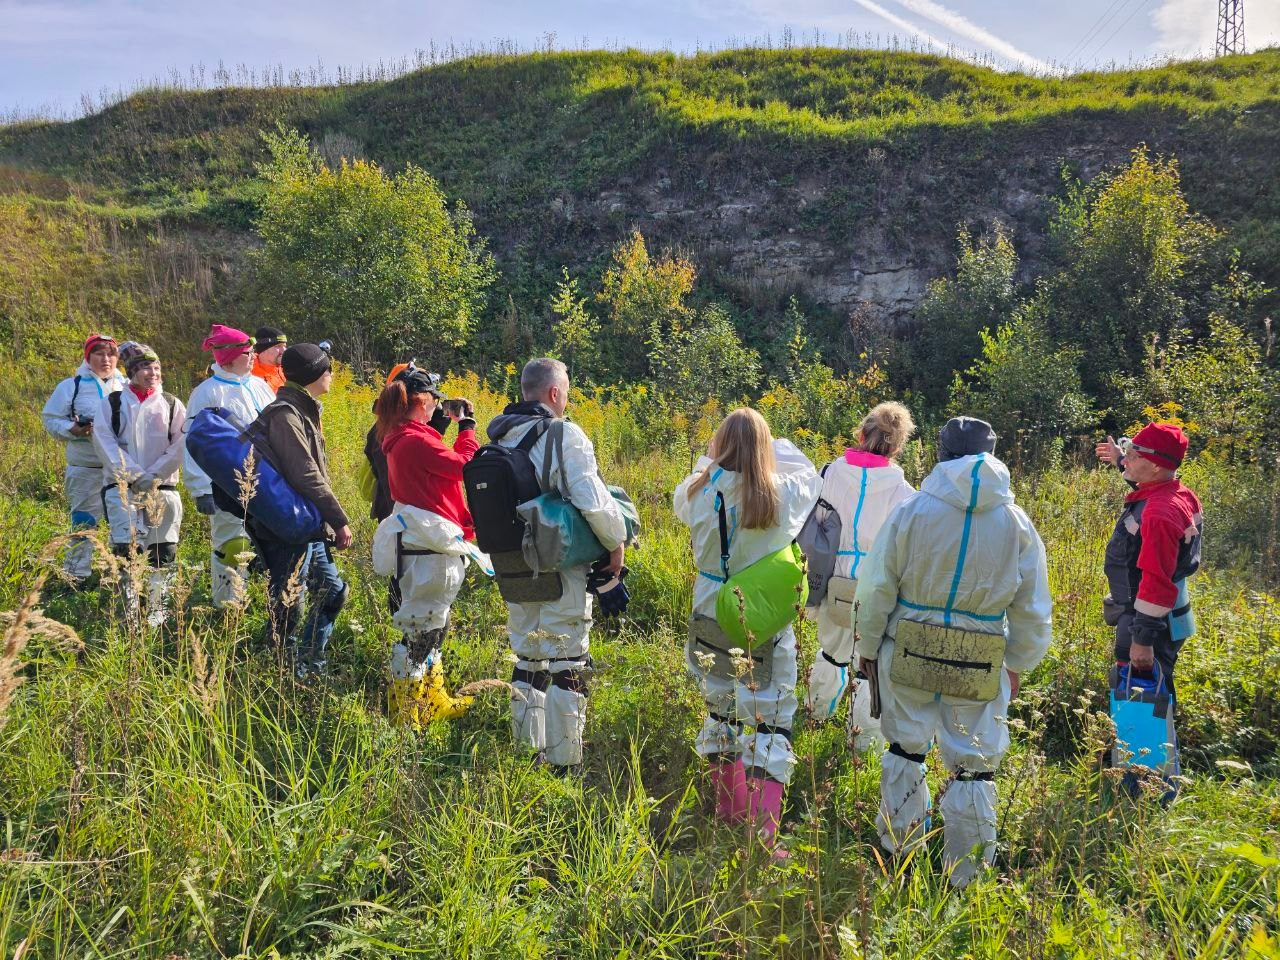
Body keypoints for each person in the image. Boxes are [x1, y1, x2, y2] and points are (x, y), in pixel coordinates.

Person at [855, 416, 1052, 887]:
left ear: (941, 454)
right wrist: (1018, 663)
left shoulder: (913, 512)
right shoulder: (1016, 521)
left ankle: (898, 859)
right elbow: (1032, 607)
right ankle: (968, 877)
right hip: (981, 655)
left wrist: (865, 645)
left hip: (911, 647)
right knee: (975, 768)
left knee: (905, 748)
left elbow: (878, 587)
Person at [674, 408, 821, 854]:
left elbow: (696, 478)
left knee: (721, 710)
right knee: (770, 723)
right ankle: (762, 838)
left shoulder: (696, 490)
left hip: (708, 608)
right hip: (759, 616)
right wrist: (766, 451)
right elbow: (811, 473)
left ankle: (728, 812)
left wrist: (714, 459)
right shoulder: (780, 495)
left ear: (718, 445)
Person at [486, 358, 626, 774]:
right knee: (568, 662)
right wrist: (616, 543)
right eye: (564, 392)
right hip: (558, 562)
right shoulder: (563, 433)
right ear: (553, 393)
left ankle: (526, 756)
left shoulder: (496, 439)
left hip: (511, 564)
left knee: (528, 657)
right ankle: (566, 764)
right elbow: (591, 498)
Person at [805, 402, 916, 749]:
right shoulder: (903, 492)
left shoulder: (831, 472)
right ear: (897, 447)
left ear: (861, 434)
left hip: (833, 580)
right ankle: (864, 742)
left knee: (830, 653)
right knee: (868, 666)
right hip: (876, 587)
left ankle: (815, 714)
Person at [1096, 423, 1202, 783]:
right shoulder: (1174, 493)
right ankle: (1130, 765)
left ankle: (1143, 781)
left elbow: (1156, 583)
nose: (1127, 456)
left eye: (1134, 454)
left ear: (1156, 466)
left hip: (1150, 623)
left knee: (1144, 696)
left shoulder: (1158, 514)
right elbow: (1147, 495)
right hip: (1167, 618)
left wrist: (1142, 639)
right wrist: (1121, 463)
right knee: (1152, 690)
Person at [375, 366, 479, 728]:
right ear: (422, 401)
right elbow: (465, 466)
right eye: (435, 399)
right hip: (428, 551)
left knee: (432, 628)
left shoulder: (404, 435)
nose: (438, 405)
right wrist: (467, 428)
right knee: (420, 632)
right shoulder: (414, 440)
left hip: (424, 543)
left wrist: (451, 426)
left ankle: (432, 699)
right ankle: (405, 716)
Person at [241, 343, 351, 676]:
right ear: (316, 374)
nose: (331, 374)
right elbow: (306, 474)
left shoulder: (299, 409)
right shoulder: (285, 414)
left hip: (304, 523)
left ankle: (309, 664)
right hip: (285, 525)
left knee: (331, 592)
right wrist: (339, 519)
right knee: (289, 602)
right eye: (327, 369)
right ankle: (282, 671)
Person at [91, 343, 186, 627]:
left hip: (163, 490)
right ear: (131, 372)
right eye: (145, 367)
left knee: (163, 553)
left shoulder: (171, 403)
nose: (152, 372)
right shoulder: (113, 404)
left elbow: (180, 444)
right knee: (126, 552)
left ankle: (158, 613)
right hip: (123, 490)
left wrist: (153, 476)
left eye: (156, 367)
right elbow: (104, 442)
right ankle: (128, 616)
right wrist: (133, 475)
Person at [182, 325, 276, 608]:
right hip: (224, 483)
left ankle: (259, 601)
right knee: (232, 544)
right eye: (248, 352)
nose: (252, 356)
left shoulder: (259, 386)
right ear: (231, 357)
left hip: (265, 482)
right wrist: (201, 489)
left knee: (262, 543)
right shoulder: (208, 393)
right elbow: (193, 441)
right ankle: (228, 606)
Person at [42, 334, 126, 586]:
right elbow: (50, 418)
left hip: (120, 468)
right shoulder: (71, 385)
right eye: (99, 353)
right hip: (84, 466)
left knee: (120, 522)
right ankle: (76, 576)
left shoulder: (127, 385)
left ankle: (116, 574)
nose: (105, 359)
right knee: (84, 522)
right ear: (87, 357)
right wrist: (72, 429)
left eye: (111, 354)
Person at [251, 326, 288, 393]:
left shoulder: (288, 370)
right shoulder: (249, 375)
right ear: (263, 350)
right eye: (278, 346)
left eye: (285, 346)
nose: (284, 350)